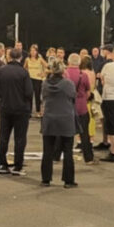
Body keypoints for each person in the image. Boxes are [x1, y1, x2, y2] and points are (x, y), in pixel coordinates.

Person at [0, 47, 34, 175]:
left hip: (5, 107)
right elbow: (29, 92)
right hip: (21, 109)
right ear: (20, 58)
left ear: (9, 57)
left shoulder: (2, 70)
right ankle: (18, 166)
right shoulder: (24, 72)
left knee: (3, 136)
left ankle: (3, 164)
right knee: (20, 138)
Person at [40, 58, 78, 188]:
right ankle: (68, 180)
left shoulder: (45, 84)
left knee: (47, 150)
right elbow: (73, 97)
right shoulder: (68, 84)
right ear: (62, 70)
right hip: (66, 119)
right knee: (68, 151)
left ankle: (45, 179)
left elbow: (43, 98)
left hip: (49, 119)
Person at [66, 53, 94, 165]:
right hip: (81, 107)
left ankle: (58, 155)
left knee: (64, 133)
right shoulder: (83, 75)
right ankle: (88, 158)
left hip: (67, 107)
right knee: (84, 133)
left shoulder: (64, 73)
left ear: (68, 62)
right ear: (79, 63)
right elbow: (88, 91)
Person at [25, 45, 47, 116]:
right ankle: (29, 111)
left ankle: (38, 111)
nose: (32, 52)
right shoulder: (27, 59)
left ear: (37, 52)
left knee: (37, 96)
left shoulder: (40, 59)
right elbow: (24, 68)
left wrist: (44, 73)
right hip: (30, 79)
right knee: (29, 95)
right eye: (31, 50)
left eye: (34, 51)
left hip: (38, 79)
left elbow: (47, 66)